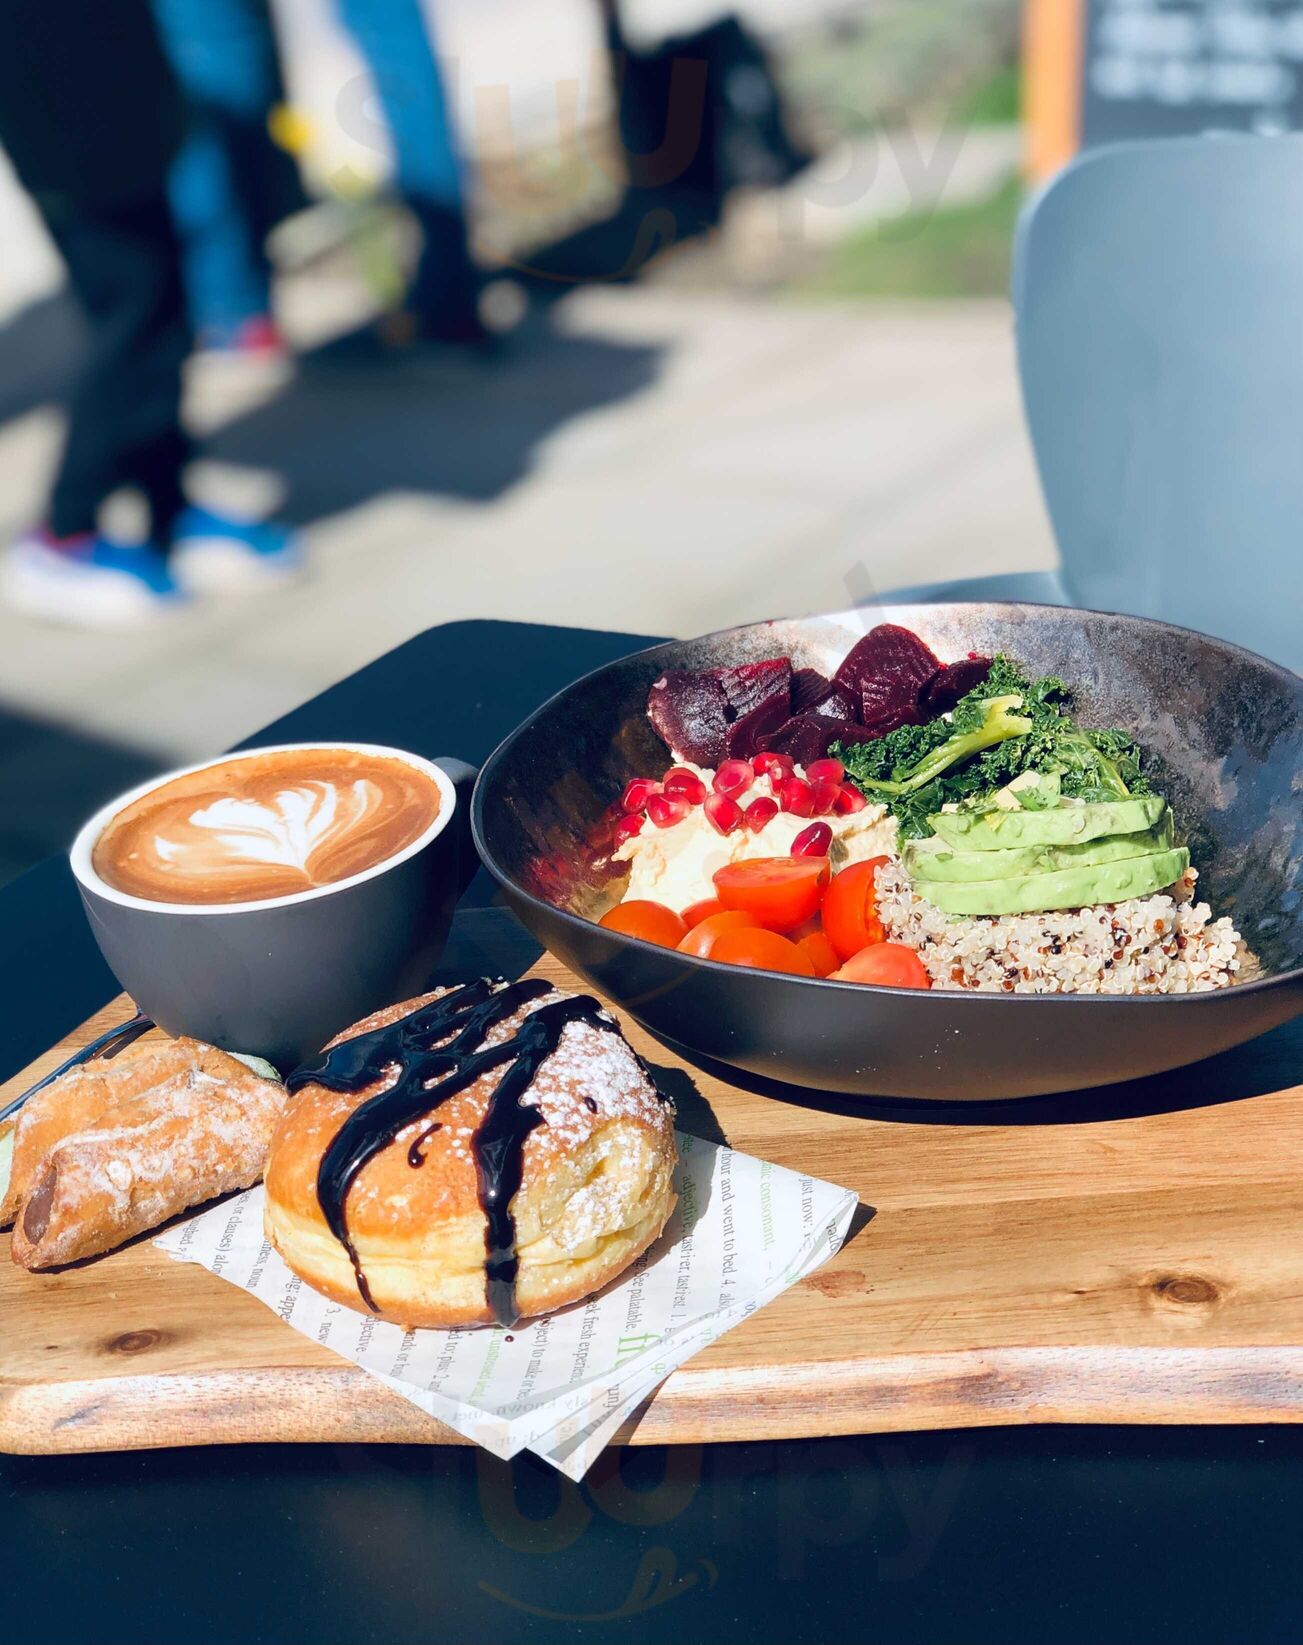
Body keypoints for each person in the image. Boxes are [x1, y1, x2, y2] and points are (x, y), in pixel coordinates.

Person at [0, 0, 299, 626]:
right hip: (55, 91)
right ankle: (65, 531)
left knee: (164, 294)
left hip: (120, 76)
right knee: (130, 304)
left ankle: (168, 501)